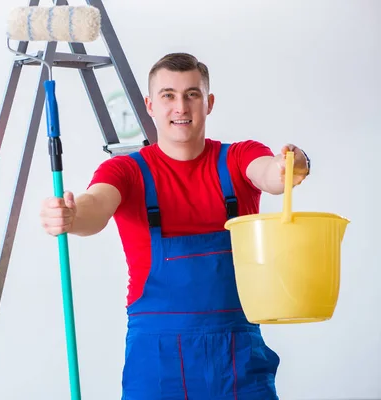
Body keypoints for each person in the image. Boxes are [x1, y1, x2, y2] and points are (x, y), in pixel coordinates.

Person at [39, 52, 310, 400]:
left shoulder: (238, 158)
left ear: (208, 103)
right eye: (168, 95)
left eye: (192, 94)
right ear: (150, 105)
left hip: (237, 357)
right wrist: (71, 216)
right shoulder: (127, 171)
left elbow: (271, 174)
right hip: (156, 362)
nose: (180, 107)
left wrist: (290, 167)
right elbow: (97, 205)